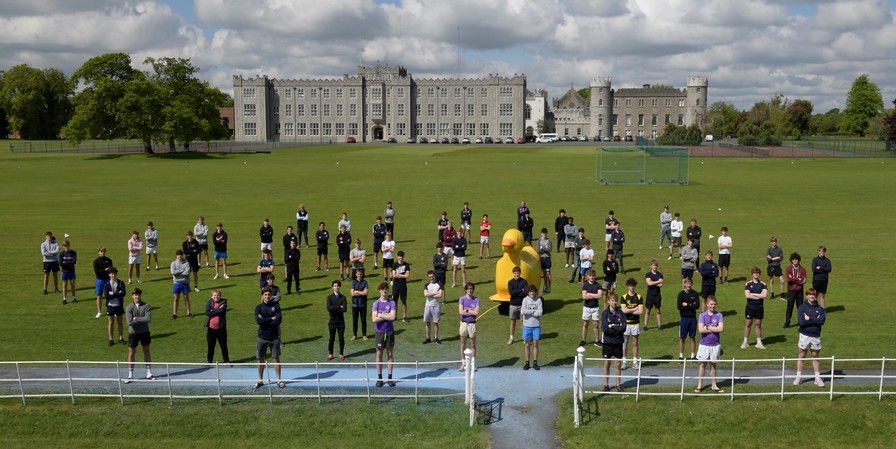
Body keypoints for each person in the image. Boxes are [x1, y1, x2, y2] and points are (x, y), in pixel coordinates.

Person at [793, 288, 827, 387]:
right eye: (810, 295)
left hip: (815, 335)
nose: (812, 297)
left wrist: (809, 318)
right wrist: (814, 320)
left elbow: (821, 322)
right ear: (807, 295)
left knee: (815, 356)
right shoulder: (802, 307)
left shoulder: (820, 309)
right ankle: (798, 378)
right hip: (804, 335)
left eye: (813, 295)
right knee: (802, 356)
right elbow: (801, 322)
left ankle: (817, 378)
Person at [254, 287, 284, 390]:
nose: (267, 296)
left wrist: (265, 320)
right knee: (261, 359)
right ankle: (260, 380)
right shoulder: (258, 307)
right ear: (262, 296)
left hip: (274, 337)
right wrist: (271, 318)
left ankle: (279, 380)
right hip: (262, 337)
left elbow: (278, 320)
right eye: (265, 295)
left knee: (276, 358)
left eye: (268, 295)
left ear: (271, 296)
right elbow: (258, 321)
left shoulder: (276, 306)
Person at [695, 296, 724, 393]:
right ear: (707, 304)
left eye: (715, 304)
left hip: (715, 344)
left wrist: (708, 327)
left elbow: (720, 329)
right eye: (711, 304)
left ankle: (714, 385)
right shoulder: (702, 315)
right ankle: (699, 384)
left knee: (713, 365)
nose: (713, 306)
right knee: (703, 364)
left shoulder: (719, 315)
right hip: (704, 344)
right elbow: (701, 330)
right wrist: (713, 328)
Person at [124, 287, 154, 382]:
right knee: (131, 353)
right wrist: (141, 320)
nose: (137, 296)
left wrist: (136, 319)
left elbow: (148, 319)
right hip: (133, 333)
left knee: (146, 351)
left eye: (138, 294)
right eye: (135, 294)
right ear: (132, 296)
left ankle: (149, 372)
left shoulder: (146, 305)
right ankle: (130, 374)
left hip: (144, 332)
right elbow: (129, 322)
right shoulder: (129, 307)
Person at [372, 282, 397, 387]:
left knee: (390, 354)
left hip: (389, 331)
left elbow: (393, 317)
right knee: (379, 355)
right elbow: (374, 319)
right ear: (380, 290)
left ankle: (390, 378)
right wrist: (386, 315)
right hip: (379, 332)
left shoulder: (392, 303)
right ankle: (379, 377)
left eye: (386, 289)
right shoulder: (376, 304)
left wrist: (381, 315)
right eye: (382, 289)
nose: (384, 290)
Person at [601, 293, 626, 392]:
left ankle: (618, 385)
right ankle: (606, 385)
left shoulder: (621, 313)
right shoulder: (604, 313)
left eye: (615, 300)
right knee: (607, 364)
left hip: (618, 342)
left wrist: (613, 326)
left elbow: (623, 328)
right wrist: (616, 328)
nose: (614, 302)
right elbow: (605, 329)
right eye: (612, 300)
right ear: (608, 301)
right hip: (607, 343)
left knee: (618, 364)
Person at [619, 278, 644, 369]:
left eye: (633, 286)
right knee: (624, 343)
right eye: (630, 286)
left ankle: (635, 362)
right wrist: (634, 309)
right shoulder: (624, 297)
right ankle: (624, 362)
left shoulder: (639, 297)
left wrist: (629, 310)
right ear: (628, 286)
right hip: (626, 323)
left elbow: (640, 311)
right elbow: (623, 310)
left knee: (635, 342)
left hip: (635, 324)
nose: (632, 287)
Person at [742, 266, 768, 349]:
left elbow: (765, 295)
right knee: (748, 324)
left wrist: (754, 294)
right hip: (750, 307)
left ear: (759, 274)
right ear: (752, 274)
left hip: (759, 307)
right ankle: (745, 342)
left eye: (757, 273)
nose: (756, 274)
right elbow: (747, 295)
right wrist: (759, 296)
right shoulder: (748, 284)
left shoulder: (763, 284)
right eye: (754, 273)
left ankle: (759, 342)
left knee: (758, 324)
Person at [458, 282, 480, 371]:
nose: (470, 290)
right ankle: (463, 363)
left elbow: (476, 313)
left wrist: (467, 310)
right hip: (463, 324)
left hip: (472, 324)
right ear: (466, 290)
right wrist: (471, 311)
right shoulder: (462, 299)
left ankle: (472, 363)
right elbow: (461, 312)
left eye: (471, 288)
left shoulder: (476, 300)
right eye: (468, 288)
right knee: (463, 344)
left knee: (473, 344)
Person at [204, 289, 230, 364]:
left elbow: (222, 311)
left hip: (221, 329)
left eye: (218, 295)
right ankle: (209, 361)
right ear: (212, 296)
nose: (216, 296)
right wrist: (217, 309)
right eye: (214, 295)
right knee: (210, 346)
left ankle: (226, 361)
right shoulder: (209, 302)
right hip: (211, 328)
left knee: (223, 345)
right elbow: (207, 313)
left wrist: (213, 310)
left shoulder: (224, 302)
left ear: (220, 296)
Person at [521, 285, 543, 371]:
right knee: (527, 344)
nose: (532, 293)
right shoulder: (525, 300)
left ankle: (535, 362)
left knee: (535, 344)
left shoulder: (538, 300)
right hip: (527, 325)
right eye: (530, 291)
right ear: (528, 292)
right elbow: (523, 311)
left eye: (533, 291)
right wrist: (533, 311)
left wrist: (531, 313)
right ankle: (527, 362)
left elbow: (540, 312)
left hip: (536, 325)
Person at [677, 277, 700, 360]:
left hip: (692, 318)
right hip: (684, 318)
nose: (688, 285)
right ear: (684, 284)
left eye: (690, 283)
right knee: (682, 337)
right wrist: (691, 305)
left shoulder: (695, 294)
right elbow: (679, 307)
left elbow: (697, 306)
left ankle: (693, 355)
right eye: (687, 283)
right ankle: (681, 356)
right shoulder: (681, 294)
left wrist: (687, 304)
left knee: (692, 337)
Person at [580, 269, 603, 347]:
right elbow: (584, 296)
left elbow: (600, 295)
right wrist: (594, 295)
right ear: (587, 276)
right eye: (590, 276)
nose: (592, 277)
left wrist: (589, 294)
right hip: (586, 308)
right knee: (585, 324)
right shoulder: (585, 285)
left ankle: (597, 340)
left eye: (593, 276)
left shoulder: (598, 285)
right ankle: (583, 340)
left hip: (595, 308)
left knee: (596, 324)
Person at [105, 267, 127, 346]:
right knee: (111, 323)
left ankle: (121, 338)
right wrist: (118, 293)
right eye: (111, 274)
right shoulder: (107, 284)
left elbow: (123, 293)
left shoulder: (121, 283)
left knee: (120, 322)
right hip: (110, 306)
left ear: (116, 274)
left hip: (119, 306)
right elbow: (107, 296)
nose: (113, 275)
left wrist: (113, 294)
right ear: (109, 275)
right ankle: (111, 339)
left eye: (114, 273)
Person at [326, 280, 347, 361]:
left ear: (339, 287)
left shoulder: (343, 297)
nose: (336, 287)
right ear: (332, 287)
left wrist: (334, 308)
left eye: (338, 286)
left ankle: (341, 353)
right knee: (332, 338)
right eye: (335, 286)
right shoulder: (329, 297)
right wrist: (339, 307)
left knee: (341, 338)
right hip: (332, 321)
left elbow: (344, 309)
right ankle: (330, 354)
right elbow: (328, 308)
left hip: (341, 321)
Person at [784, 252, 807, 329]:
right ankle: (787, 323)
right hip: (791, 291)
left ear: (798, 260)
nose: (795, 260)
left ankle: (801, 323)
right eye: (793, 259)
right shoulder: (788, 269)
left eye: (796, 259)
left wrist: (795, 280)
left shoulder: (802, 269)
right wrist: (798, 279)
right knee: (789, 307)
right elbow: (789, 279)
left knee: (800, 308)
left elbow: (804, 280)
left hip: (799, 292)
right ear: (791, 260)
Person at [507, 266, 528, 345]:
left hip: (522, 305)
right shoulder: (510, 282)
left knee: (523, 322)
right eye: (515, 273)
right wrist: (520, 290)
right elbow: (511, 292)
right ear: (513, 274)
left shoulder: (524, 282)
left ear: (520, 273)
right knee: (513, 321)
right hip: (513, 305)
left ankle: (524, 338)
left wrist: (518, 292)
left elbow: (525, 292)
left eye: (518, 273)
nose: (517, 274)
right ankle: (511, 338)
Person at [170, 249, 193, 319]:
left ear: (182, 255)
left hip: (185, 283)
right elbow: (173, 272)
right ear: (176, 256)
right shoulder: (173, 263)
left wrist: (178, 273)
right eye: (178, 255)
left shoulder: (186, 263)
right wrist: (182, 271)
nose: (179, 256)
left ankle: (188, 312)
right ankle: (174, 313)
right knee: (176, 299)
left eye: (180, 254)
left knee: (186, 298)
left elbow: (187, 272)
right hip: (176, 283)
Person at [422, 270, 443, 344]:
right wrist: (435, 293)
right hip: (428, 306)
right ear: (428, 278)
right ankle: (428, 338)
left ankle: (436, 338)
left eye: (432, 276)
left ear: (434, 276)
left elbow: (440, 295)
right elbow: (425, 294)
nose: (431, 278)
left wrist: (430, 294)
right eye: (430, 277)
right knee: (427, 323)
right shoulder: (426, 285)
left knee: (435, 322)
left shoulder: (439, 284)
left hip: (436, 306)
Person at [643, 260, 664, 332]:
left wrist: (652, 282)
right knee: (648, 311)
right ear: (651, 266)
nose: (655, 267)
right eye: (654, 265)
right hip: (650, 295)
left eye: (656, 265)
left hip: (657, 295)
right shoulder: (648, 274)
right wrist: (658, 281)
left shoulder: (660, 274)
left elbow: (661, 285)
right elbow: (649, 283)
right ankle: (645, 326)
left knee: (658, 311)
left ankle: (659, 325)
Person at [93, 247, 113, 319]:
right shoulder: (96, 261)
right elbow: (97, 271)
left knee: (109, 295)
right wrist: (105, 270)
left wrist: (107, 270)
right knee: (99, 295)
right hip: (100, 280)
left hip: (107, 279)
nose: (102, 253)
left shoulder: (108, 260)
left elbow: (111, 269)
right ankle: (99, 312)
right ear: (98, 252)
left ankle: (110, 310)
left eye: (104, 251)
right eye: (101, 251)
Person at [350, 269, 369, 340]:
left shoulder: (365, 282)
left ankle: (364, 335)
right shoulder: (353, 282)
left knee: (363, 320)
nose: (359, 276)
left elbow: (365, 293)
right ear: (356, 274)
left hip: (363, 304)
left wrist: (357, 292)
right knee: (355, 320)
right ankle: (354, 335)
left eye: (360, 274)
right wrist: (361, 292)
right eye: (358, 274)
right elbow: (352, 293)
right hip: (355, 304)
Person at [392, 251, 411, 322]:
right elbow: (394, 275)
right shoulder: (395, 265)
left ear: (403, 257)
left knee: (404, 301)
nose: (401, 258)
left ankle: (404, 316)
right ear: (397, 257)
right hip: (396, 286)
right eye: (400, 256)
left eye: (402, 256)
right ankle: (394, 316)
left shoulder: (406, 265)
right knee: (394, 301)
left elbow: (407, 276)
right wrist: (403, 275)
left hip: (403, 285)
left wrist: (399, 275)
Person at [59, 240, 77, 305]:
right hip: (64, 272)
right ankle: (64, 299)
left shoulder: (73, 253)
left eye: (67, 245)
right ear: (63, 246)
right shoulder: (61, 254)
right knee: (64, 285)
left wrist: (65, 262)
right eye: (65, 246)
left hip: (71, 271)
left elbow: (74, 262)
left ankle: (73, 298)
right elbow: (60, 263)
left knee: (73, 285)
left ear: (69, 245)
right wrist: (69, 263)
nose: (66, 247)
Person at [536, 228, 552, 294]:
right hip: (541, 258)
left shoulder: (549, 240)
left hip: (547, 258)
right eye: (543, 233)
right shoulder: (538, 241)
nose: (544, 234)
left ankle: (549, 286)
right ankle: (546, 285)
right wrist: (544, 248)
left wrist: (543, 248)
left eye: (545, 233)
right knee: (544, 274)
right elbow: (538, 250)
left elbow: (550, 249)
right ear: (541, 233)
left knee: (548, 273)